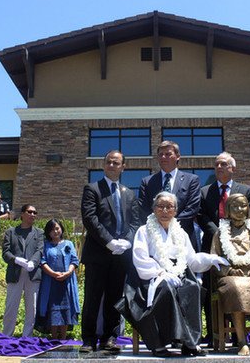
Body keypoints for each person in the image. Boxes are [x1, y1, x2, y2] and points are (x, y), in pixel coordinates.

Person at [116, 192, 229, 357]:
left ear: (175, 210)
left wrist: (210, 259)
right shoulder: (144, 230)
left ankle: (189, 343)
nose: (164, 210)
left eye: (169, 207)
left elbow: (191, 260)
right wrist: (160, 272)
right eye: (160, 206)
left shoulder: (180, 233)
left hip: (178, 273)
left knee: (193, 287)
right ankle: (159, 344)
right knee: (166, 288)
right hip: (150, 277)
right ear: (154, 209)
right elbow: (140, 259)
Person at [80, 150, 136, 353]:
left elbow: (135, 222)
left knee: (114, 298)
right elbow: (90, 219)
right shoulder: (92, 189)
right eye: (109, 162)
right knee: (93, 297)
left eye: (116, 163)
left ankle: (109, 338)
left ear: (123, 167)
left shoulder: (129, 193)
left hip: (121, 256)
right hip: (98, 254)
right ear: (104, 165)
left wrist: (127, 242)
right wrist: (109, 242)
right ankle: (88, 338)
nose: (112, 165)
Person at [197, 151, 250, 345]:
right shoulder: (205, 192)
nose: (219, 167)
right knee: (211, 288)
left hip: (239, 248)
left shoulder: (245, 190)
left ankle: (240, 334)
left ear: (233, 168)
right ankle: (214, 332)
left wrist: (230, 234)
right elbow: (201, 216)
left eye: (223, 164)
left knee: (239, 288)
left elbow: (249, 216)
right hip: (212, 247)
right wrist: (219, 232)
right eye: (216, 165)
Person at [211, 194, 250, 356]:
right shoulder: (220, 233)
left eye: (243, 206)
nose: (240, 210)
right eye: (235, 206)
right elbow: (215, 259)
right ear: (228, 210)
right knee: (236, 288)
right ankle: (241, 341)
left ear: (248, 208)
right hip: (231, 275)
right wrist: (230, 270)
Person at [137, 140, 201, 250]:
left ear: (178, 156)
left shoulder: (191, 180)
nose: (163, 157)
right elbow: (144, 209)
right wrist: (160, 227)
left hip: (183, 237)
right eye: (161, 154)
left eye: (168, 154)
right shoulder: (147, 182)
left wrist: (169, 225)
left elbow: (192, 209)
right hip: (155, 240)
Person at [2, 204, 44, 337]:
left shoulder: (39, 232)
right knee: (11, 306)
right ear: (22, 214)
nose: (33, 215)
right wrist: (16, 260)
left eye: (35, 212)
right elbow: (5, 252)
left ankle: (27, 336)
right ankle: (7, 335)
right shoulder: (11, 232)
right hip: (15, 272)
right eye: (30, 212)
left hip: (32, 273)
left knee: (32, 307)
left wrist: (33, 262)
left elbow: (40, 250)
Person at [35, 219, 80, 340]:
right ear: (48, 232)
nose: (55, 231)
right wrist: (54, 274)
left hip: (66, 282)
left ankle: (63, 337)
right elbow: (42, 262)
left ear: (61, 229)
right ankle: (54, 337)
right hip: (51, 282)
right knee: (52, 309)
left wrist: (68, 272)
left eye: (57, 228)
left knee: (66, 309)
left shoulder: (69, 244)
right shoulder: (45, 245)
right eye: (52, 230)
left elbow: (74, 261)